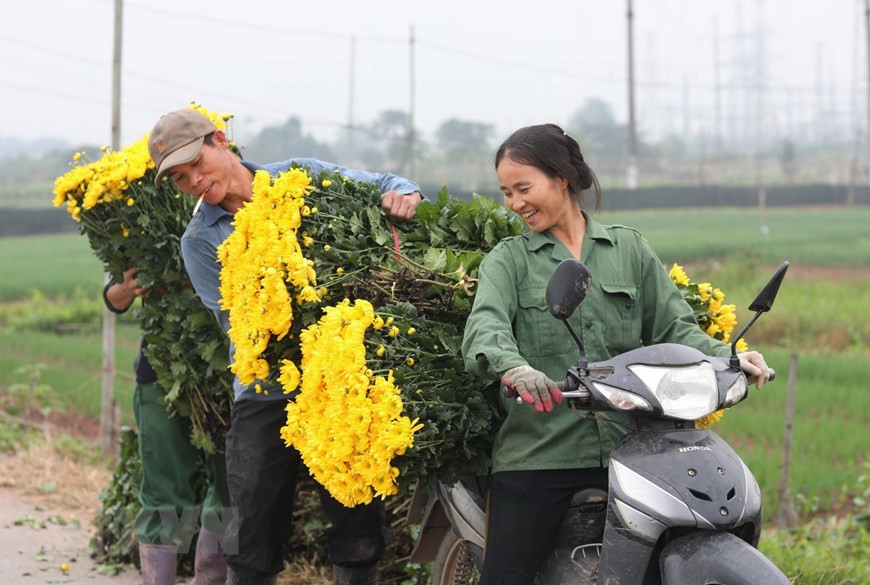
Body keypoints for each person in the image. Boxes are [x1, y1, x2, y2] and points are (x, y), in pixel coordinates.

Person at [460, 123, 772, 585]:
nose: (514, 203)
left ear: (561, 178)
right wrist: (515, 367)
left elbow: (675, 326)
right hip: (542, 453)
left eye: (523, 188)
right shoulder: (509, 260)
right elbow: (485, 329)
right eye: (506, 193)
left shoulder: (628, 249)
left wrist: (731, 358)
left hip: (635, 448)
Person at [146, 108, 424, 585]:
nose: (192, 180)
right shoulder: (199, 242)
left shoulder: (300, 177)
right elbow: (246, 329)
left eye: (195, 164)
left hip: (343, 385)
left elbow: (384, 180)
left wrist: (404, 195)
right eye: (178, 178)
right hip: (268, 387)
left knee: (356, 521)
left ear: (221, 140)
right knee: (249, 528)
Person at [103, 267, 230, 585]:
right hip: (162, 368)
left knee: (231, 487)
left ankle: (211, 576)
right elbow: (113, 298)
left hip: (232, 370)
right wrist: (129, 287)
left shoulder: (247, 221)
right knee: (166, 491)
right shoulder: (150, 221)